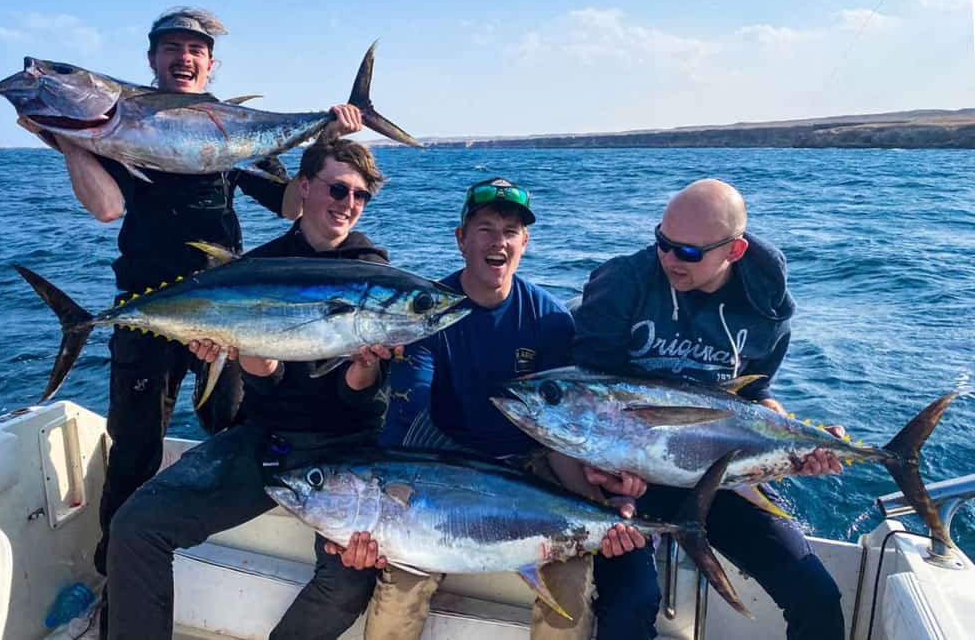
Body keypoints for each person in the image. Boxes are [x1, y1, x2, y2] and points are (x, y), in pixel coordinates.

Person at [15, 6, 364, 578]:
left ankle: (236, 555)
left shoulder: (227, 129)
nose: (184, 58)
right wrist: (66, 137)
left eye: (195, 50)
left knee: (234, 424)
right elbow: (106, 208)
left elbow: (288, 205)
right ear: (151, 61)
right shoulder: (121, 130)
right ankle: (116, 571)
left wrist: (322, 143)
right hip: (145, 309)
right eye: (172, 48)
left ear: (210, 63)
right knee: (134, 444)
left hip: (227, 307)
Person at [324, 178, 648, 640]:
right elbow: (407, 413)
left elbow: (558, 437)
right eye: (485, 228)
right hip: (443, 466)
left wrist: (605, 505)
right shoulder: (426, 313)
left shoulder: (551, 321)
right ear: (461, 239)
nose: (498, 241)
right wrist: (372, 518)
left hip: (533, 467)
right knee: (398, 596)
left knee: (570, 591)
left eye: (510, 231)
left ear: (524, 242)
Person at [105, 138, 396, 640]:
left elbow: (358, 400)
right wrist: (236, 351)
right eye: (337, 189)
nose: (347, 204)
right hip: (266, 439)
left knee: (349, 581)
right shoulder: (254, 268)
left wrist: (363, 367)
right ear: (304, 188)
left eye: (359, 196)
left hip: (346, 450)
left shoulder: (373, 276)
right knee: (136, 526)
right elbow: (266, 387)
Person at [573, 178, 846, 640]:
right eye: (663, 242)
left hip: (721, 476)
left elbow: (756, 395)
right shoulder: (622, 283)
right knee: (630, 602)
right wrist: (603, 475)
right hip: (631, 476)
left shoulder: (765, 305)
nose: (669, 259)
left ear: (734, 251)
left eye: (689, 253)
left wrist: (795, 441)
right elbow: (591, 394)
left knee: (816, 594)